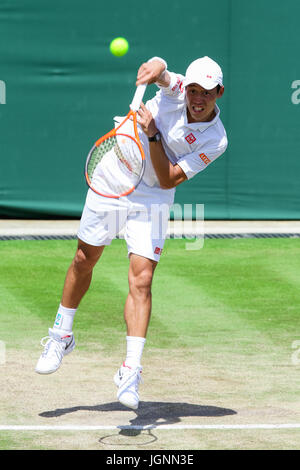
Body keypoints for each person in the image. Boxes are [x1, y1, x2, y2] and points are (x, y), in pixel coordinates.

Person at [35, 55, 228, 410]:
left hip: (153, 196)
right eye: (194, 90)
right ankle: (61, 335)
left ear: (220, 92)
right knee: (84, 258)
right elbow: (162, 71)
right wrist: (156, 65)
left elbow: (169, 176)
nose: (198, 99)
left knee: (142, 280)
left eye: (207, 93)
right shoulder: (177, 90)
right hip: (114, 175)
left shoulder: (216, 140)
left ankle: (131, 370)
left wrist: (152, 134)